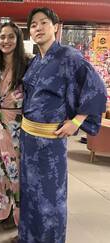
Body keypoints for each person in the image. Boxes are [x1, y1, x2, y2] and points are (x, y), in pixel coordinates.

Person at [19, 8, 107, 243]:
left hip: (51, 142)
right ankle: (28, 238)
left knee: (50, 197)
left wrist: (77, 120)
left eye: (44, 22)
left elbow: (96, 89)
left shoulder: (70, 56)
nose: (38, 28)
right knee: (29, 194)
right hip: (28, 138)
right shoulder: (35, 61)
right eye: (33, 25)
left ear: (56, 26)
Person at [0, 21, 29, 234]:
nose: (6, 41)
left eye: (11, 36)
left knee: (16, 170)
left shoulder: (27, 63)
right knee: (0, 168)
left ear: (18, 39)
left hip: (18, 125)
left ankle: (18, 214)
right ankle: (3, 209)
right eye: (2, 37)